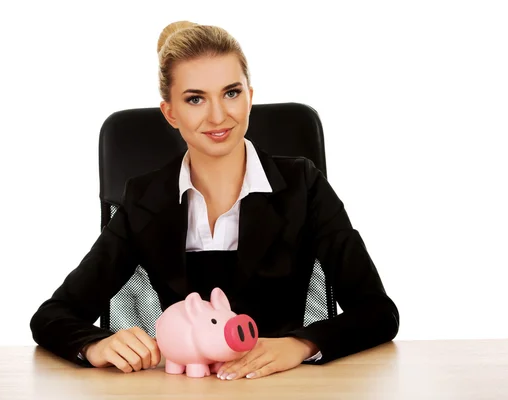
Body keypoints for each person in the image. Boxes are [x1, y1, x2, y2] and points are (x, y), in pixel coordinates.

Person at [30, 20, 399, 381]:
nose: (219, 115)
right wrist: (96, 346)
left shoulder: (302, 185)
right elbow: (54, 315)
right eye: (195, 99)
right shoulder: (146, 199)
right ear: (170, 113)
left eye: (232, 92)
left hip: (280, 388)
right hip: (183, 390)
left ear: (250, 97)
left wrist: (299, 344)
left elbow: (378, 312)